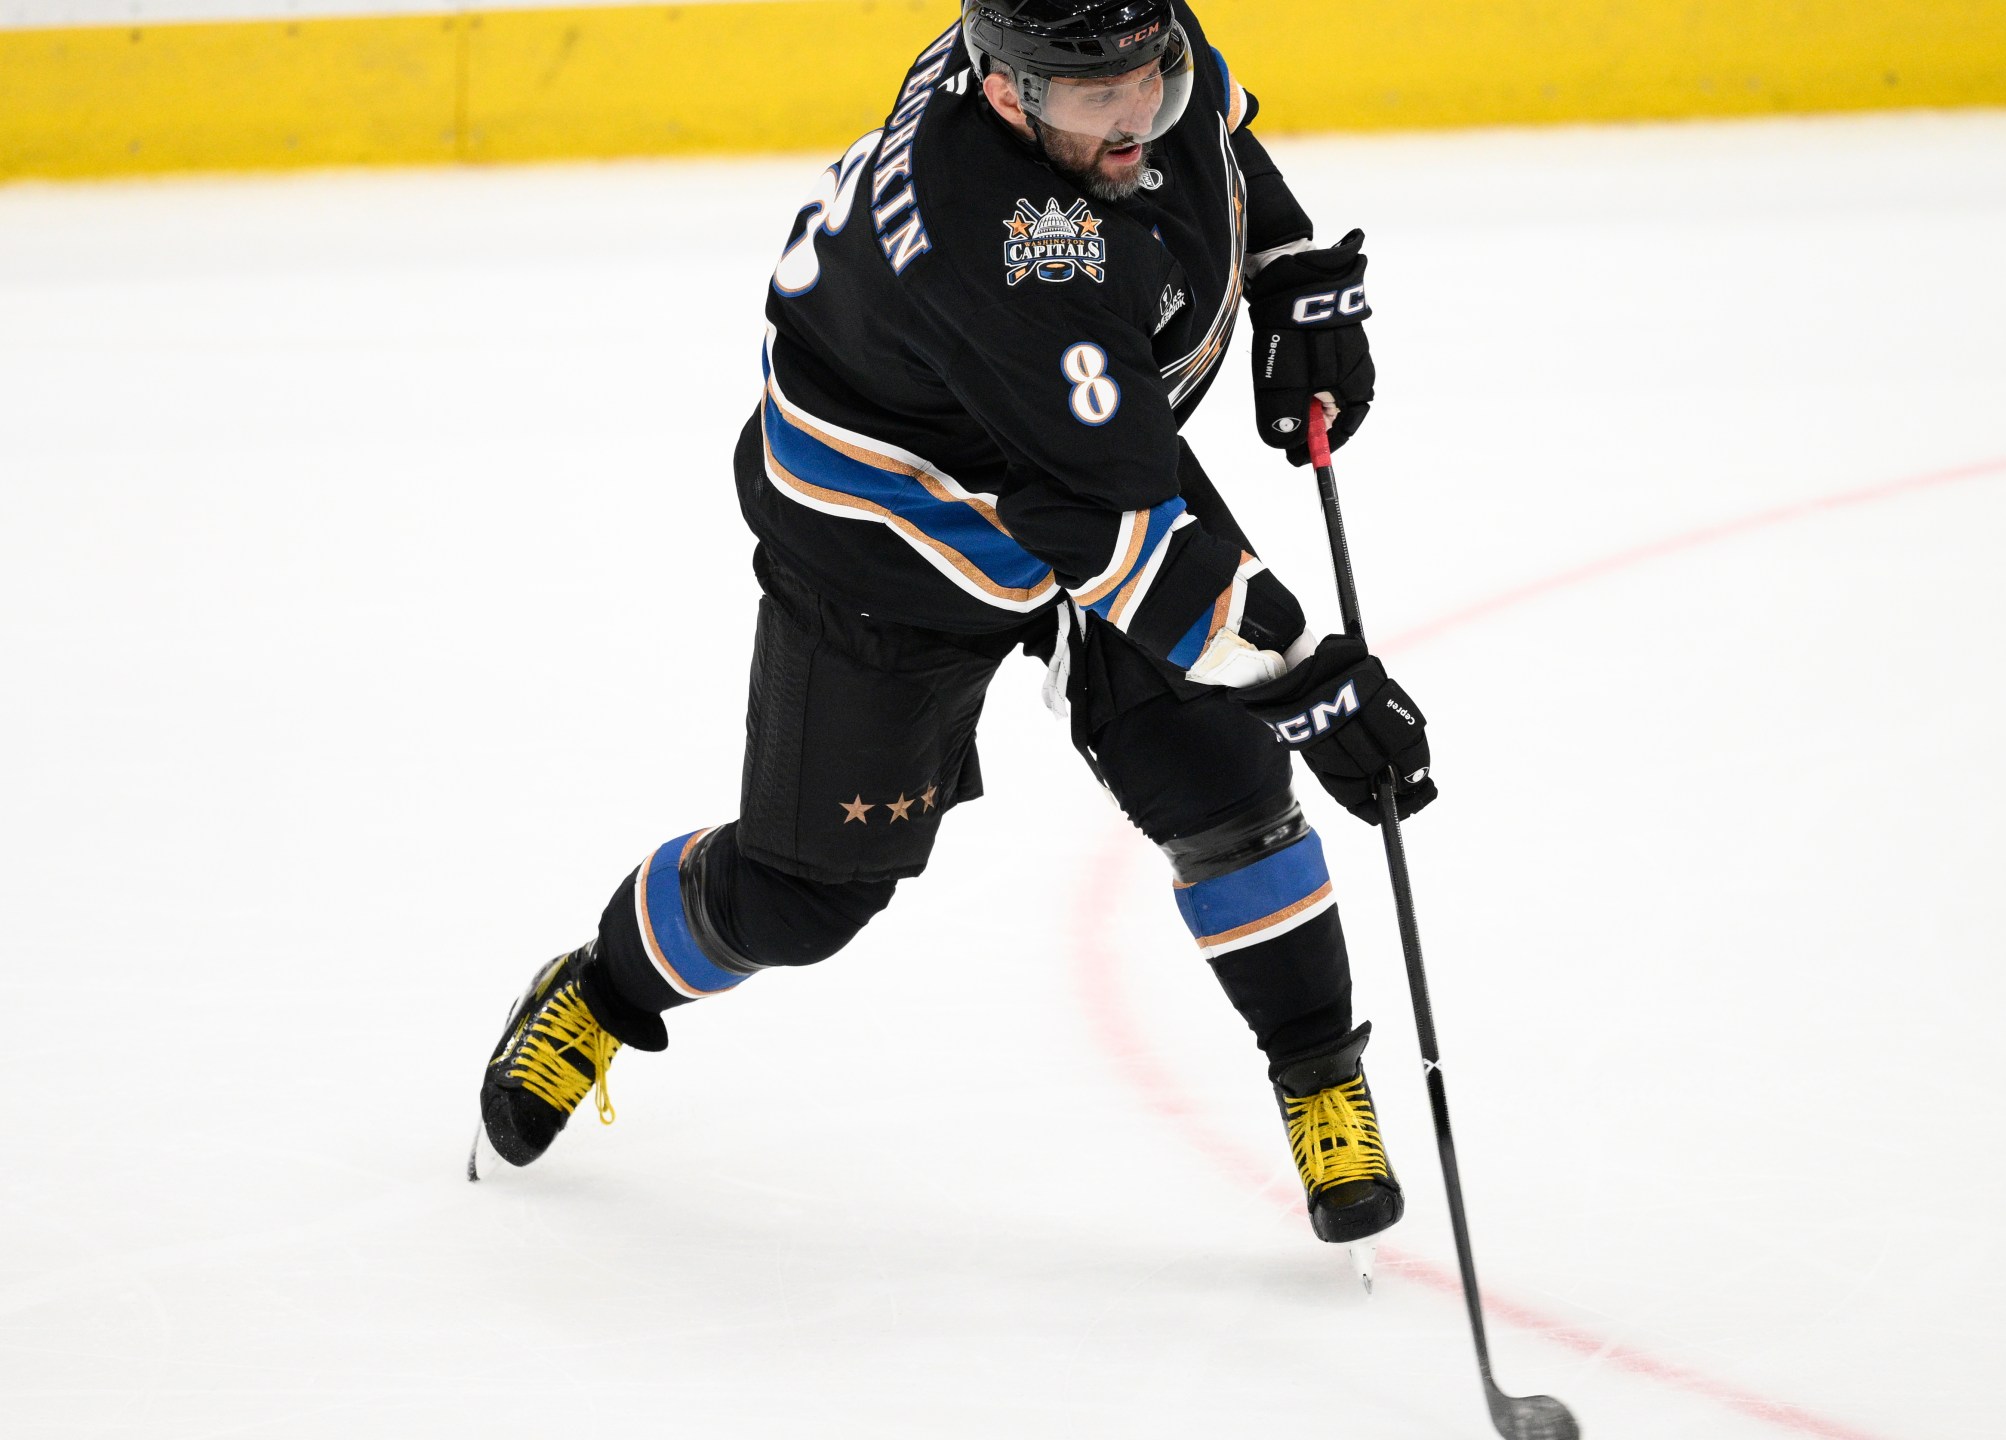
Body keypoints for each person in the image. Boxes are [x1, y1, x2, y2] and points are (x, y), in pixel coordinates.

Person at [470, 0, 1435, 1250]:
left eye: (1155, 75)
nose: (1139, 112)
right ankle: (599, 987)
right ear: (1003, 93)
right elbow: (1121, 538)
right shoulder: (1002, 250)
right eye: (1099, 101)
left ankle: (1318, 1077)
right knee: (806, 896)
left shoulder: (1097, 53)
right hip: (892, 541)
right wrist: (1307, 682)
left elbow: (1217, 141)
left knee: (1222, 787)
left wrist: (1287, 266)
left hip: (1081, 455)